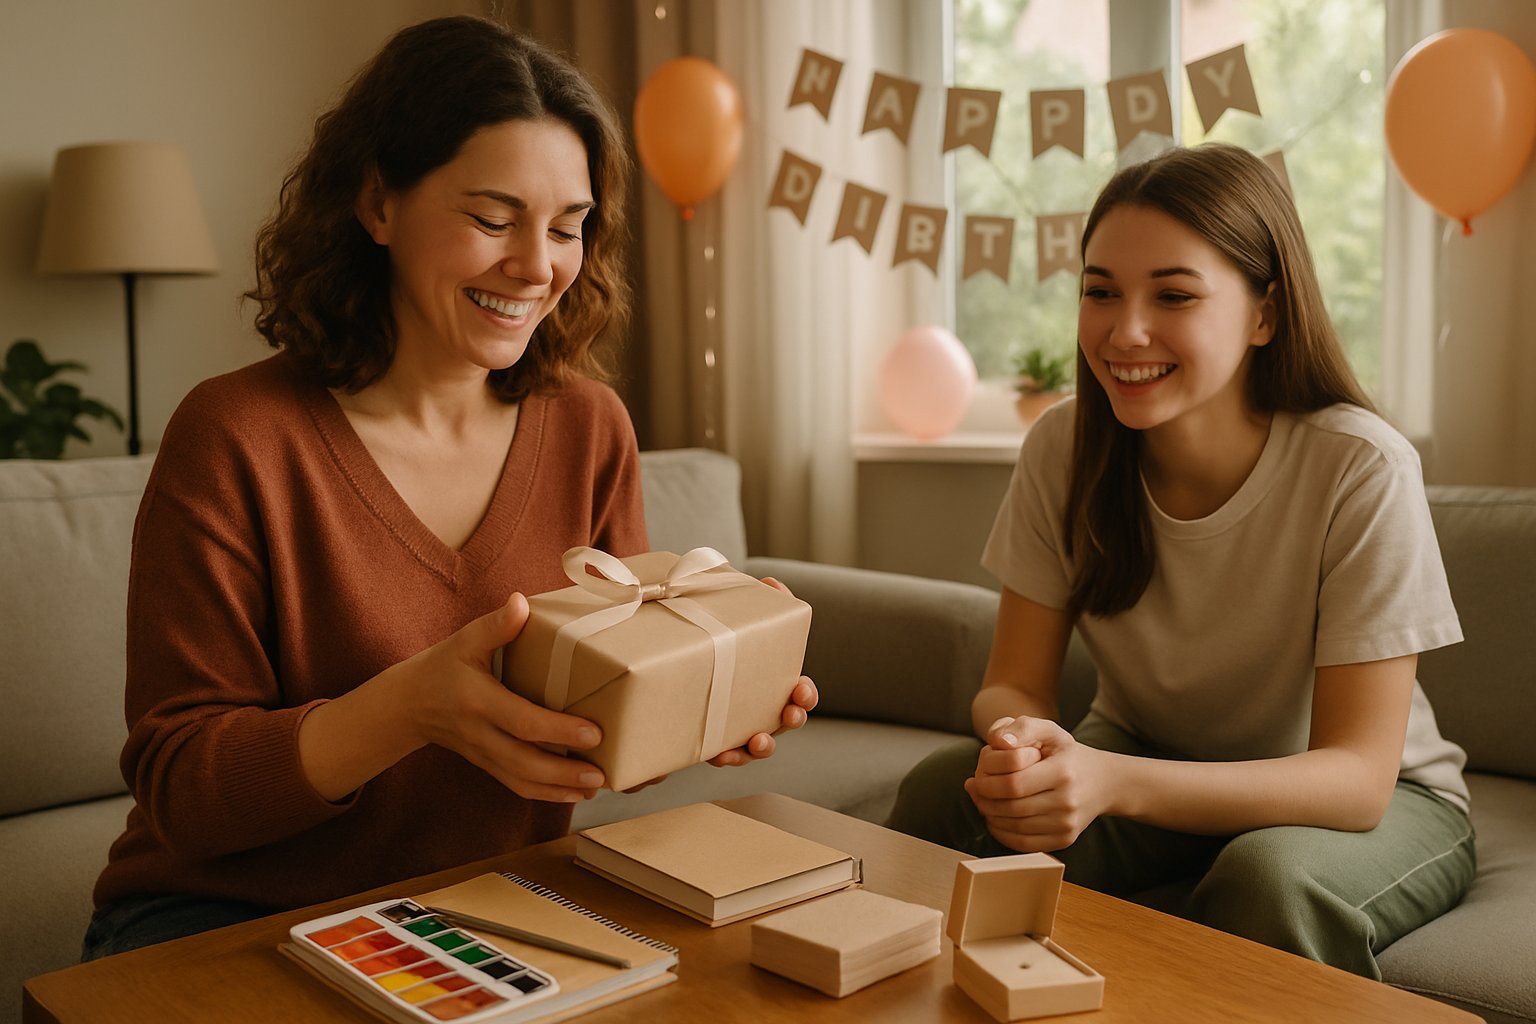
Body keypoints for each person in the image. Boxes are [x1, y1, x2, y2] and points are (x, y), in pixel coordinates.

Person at [84, 16, 816, 960]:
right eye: (491, 217)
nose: (538, 265)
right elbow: (181, 787)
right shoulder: (235, 437)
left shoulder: (591, 428)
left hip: (483, 915)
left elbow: (595, 720)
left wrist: (703, 702)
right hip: (225, 919)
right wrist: (410, 707)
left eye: (567, 226)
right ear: (378, 204)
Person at [886, 143, 1474, 978]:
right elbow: (1011, 682)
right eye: (1100, 292)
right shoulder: (1063, 446)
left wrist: (1113, 782)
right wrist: (1020, 744)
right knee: (945, 791)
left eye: (1174, 294)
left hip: (1372, 807)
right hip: (1148, 760)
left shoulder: (1362, 467)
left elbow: (1356, 779)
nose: (1126, 331)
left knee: (1267, 881)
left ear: (1264, 314)